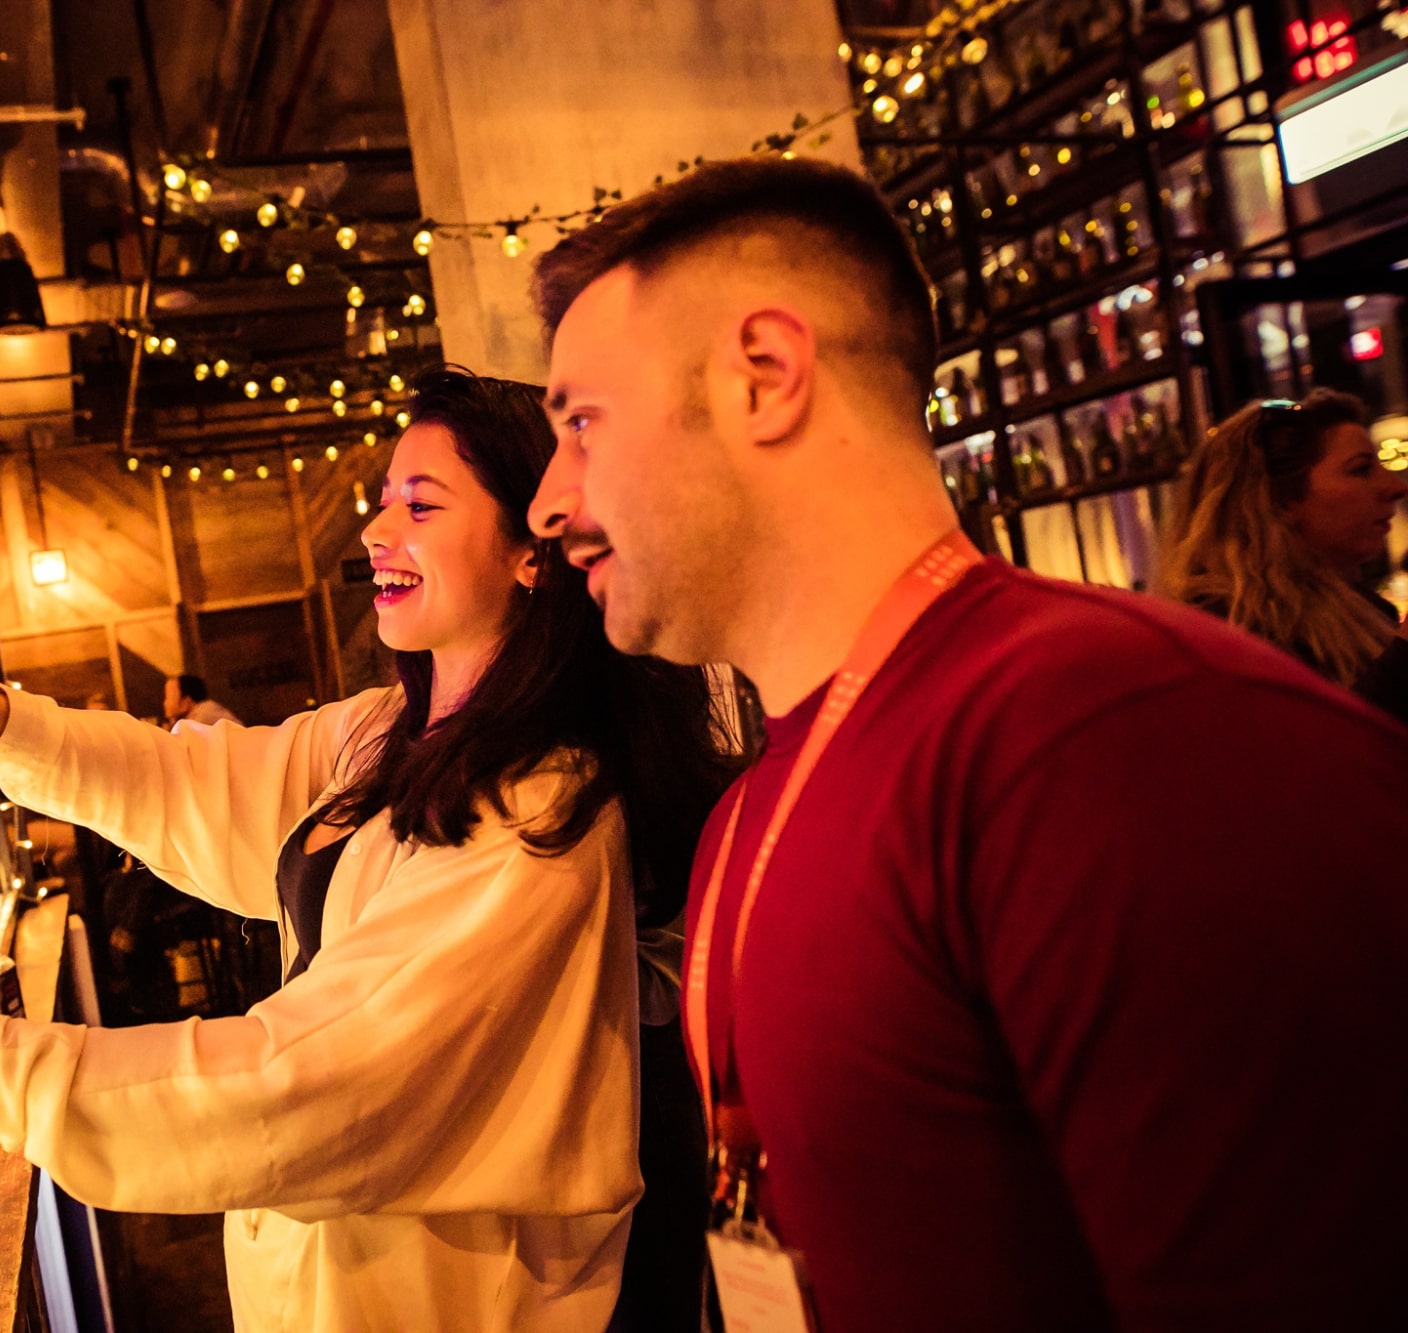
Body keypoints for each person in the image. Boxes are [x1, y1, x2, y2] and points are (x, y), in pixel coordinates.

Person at [524, 155, 1408, 1332]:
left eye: (581, 421)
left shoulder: (1116, 740)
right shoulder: (755, 805)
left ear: (763, 376)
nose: (549, 498)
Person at [0, 367, 738, 1332]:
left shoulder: (540, 803)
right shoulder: (385, 731)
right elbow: (189, 786)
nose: (375, 530)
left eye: (420, 506)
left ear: (531, 547)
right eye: (381, 500)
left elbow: (314, 1083)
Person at [1161, 389, 1408, 724]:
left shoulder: (1363, 609)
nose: (1395, 487)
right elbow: (1328, 755)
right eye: (1361, 469)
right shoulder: (1228, 636)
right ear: (1279, 499)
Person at [162, 672, 241, 728]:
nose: (165, 703)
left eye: (168, 697)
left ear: (186, 701)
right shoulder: (184, 718)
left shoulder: (204, 714)